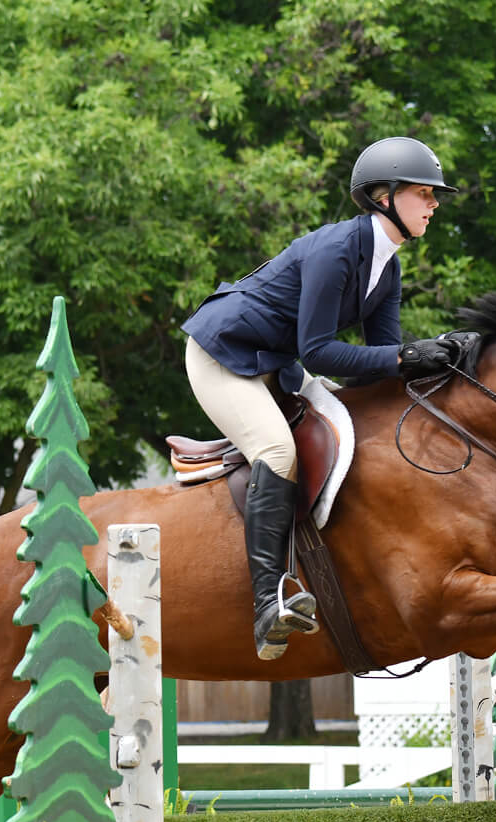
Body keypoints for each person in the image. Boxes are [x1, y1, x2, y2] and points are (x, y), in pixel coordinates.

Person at [181, 136, 461, 660]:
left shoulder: (388, 267)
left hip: (275, 363)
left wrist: (444, 359)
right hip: (225, 355)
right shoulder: (337, 250)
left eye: (433, 195)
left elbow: (379, 364)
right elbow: (322, 351)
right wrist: (404, 358)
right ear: (385, 197)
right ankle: (267, 604)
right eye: (424, 193)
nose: (434, 204)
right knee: (277, 452)